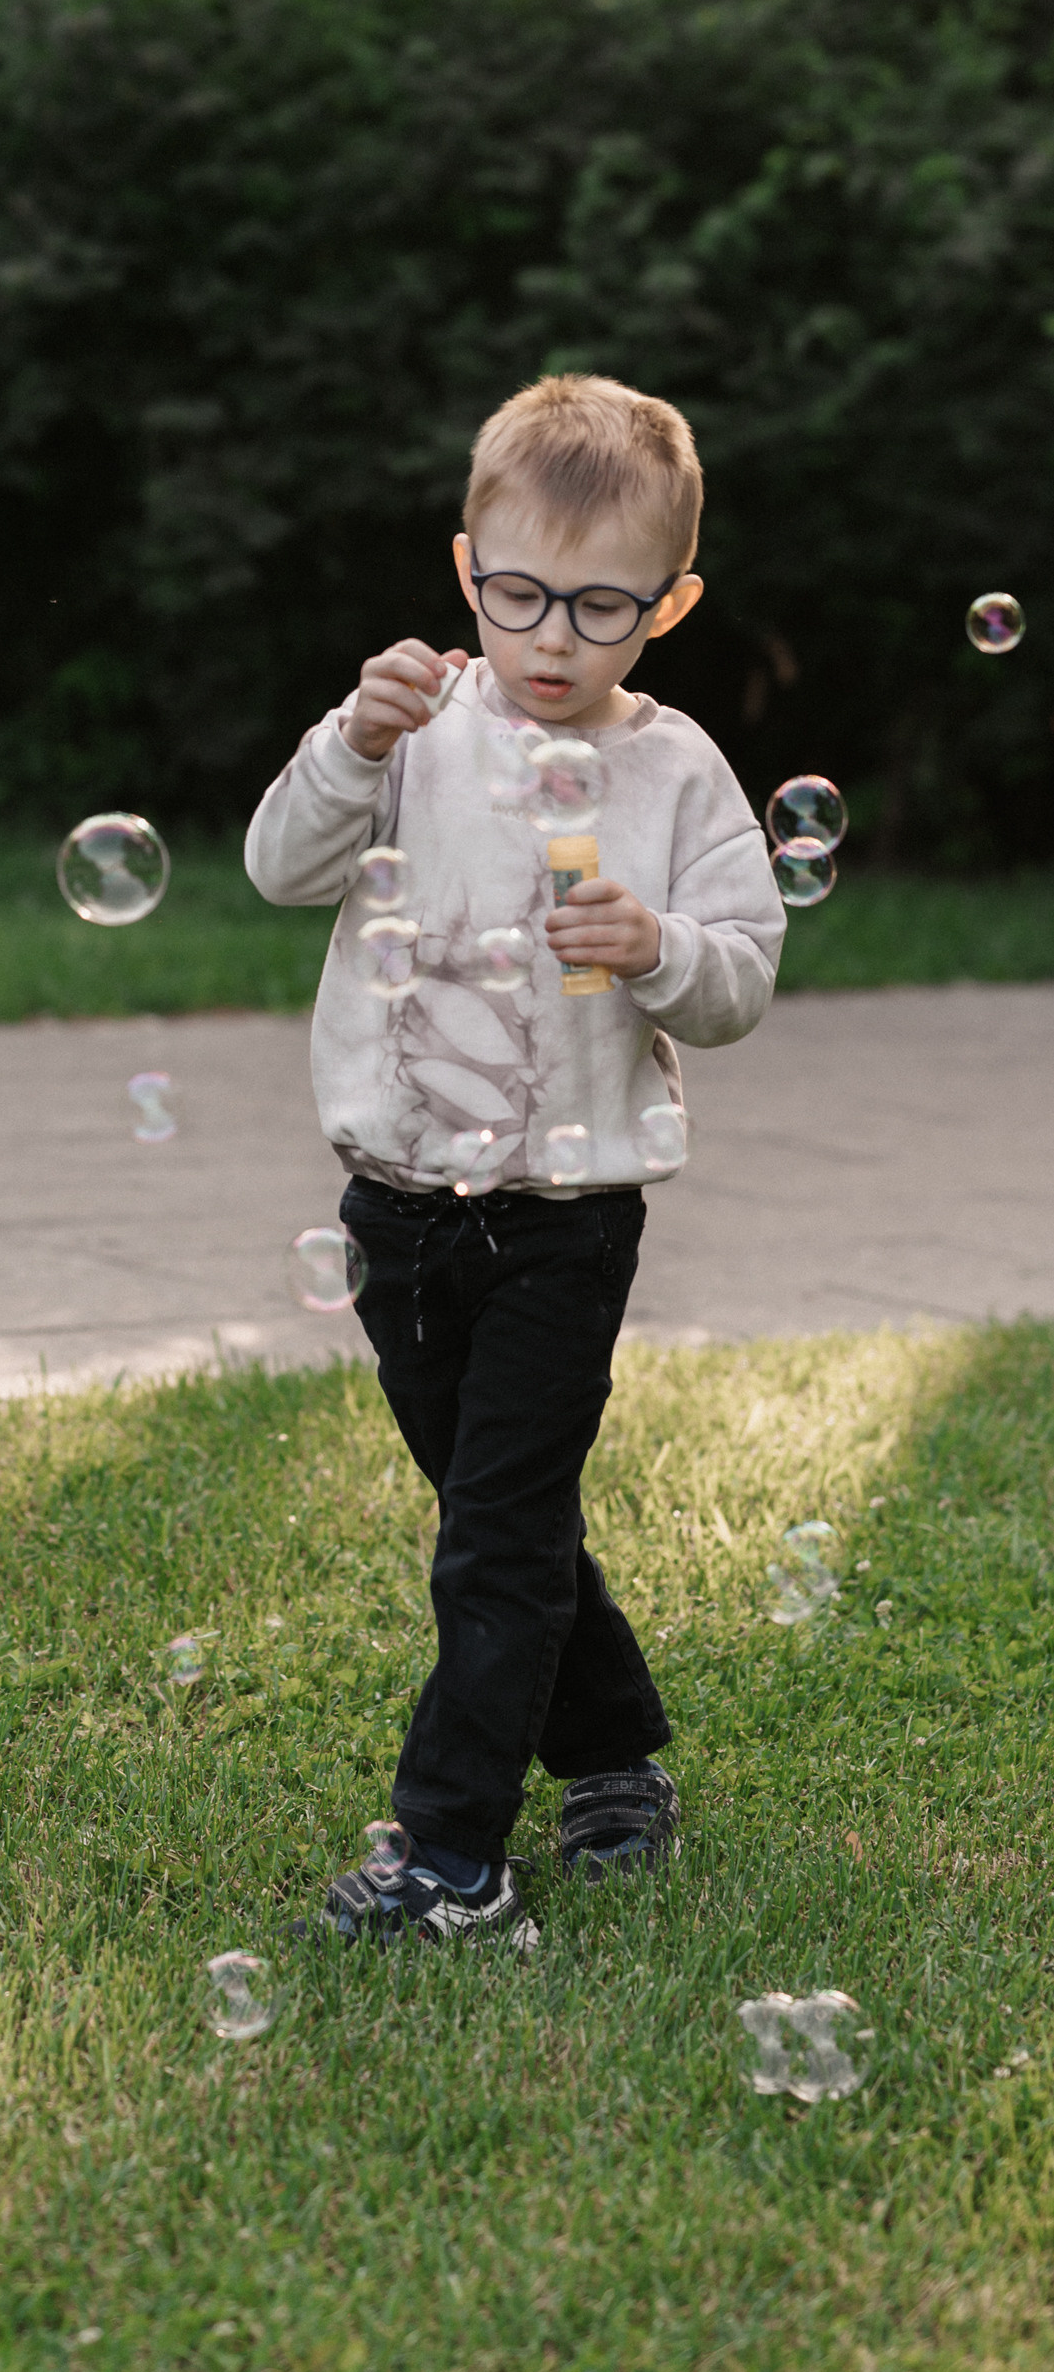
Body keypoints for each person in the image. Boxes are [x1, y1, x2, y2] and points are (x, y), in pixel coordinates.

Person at [246, 373, 783, 1945]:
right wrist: (347, 741)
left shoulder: (674, 773)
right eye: (518, 594)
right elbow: (281, 869)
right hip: (394, 1209)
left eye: (600, 605)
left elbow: (740, 977)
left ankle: (450, 1852)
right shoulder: (408, 730)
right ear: (463, 564)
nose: (550, 638)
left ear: (668, 603)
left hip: (566, 1215)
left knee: (490, 1532)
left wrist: (658, 942)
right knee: (506, 1514)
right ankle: (612, 1755)